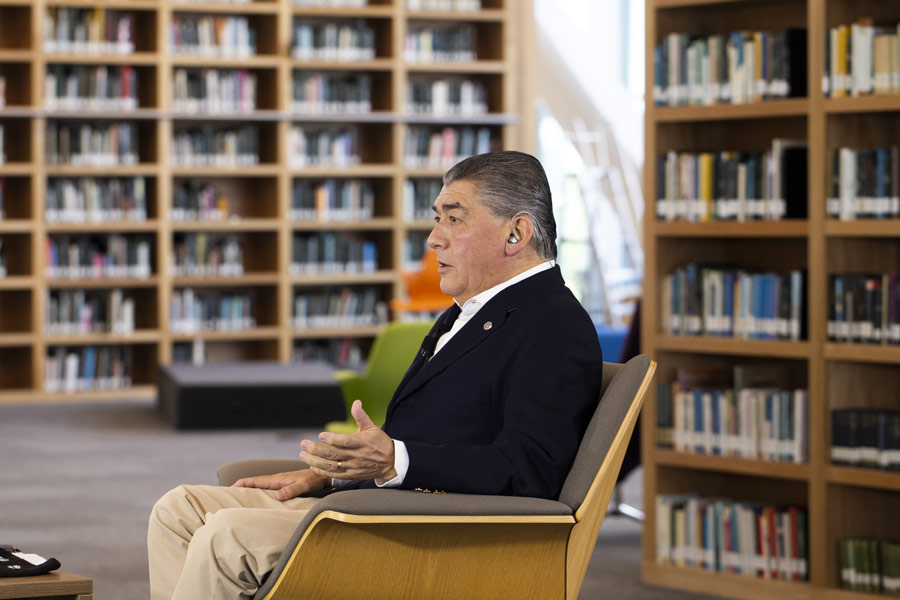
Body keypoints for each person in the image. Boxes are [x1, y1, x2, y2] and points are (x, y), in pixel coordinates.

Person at [147, 150, 604, 600]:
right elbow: (442, 431)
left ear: (516, 232)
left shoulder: (554, 325)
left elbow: (531, 471)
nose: (433, 238)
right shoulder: (472, 311)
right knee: (177, 509)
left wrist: (393, 460)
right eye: (436, 218)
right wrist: (335, 476)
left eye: (454, 219)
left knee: (227, 536)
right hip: (380, 504)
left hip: (428, 533)